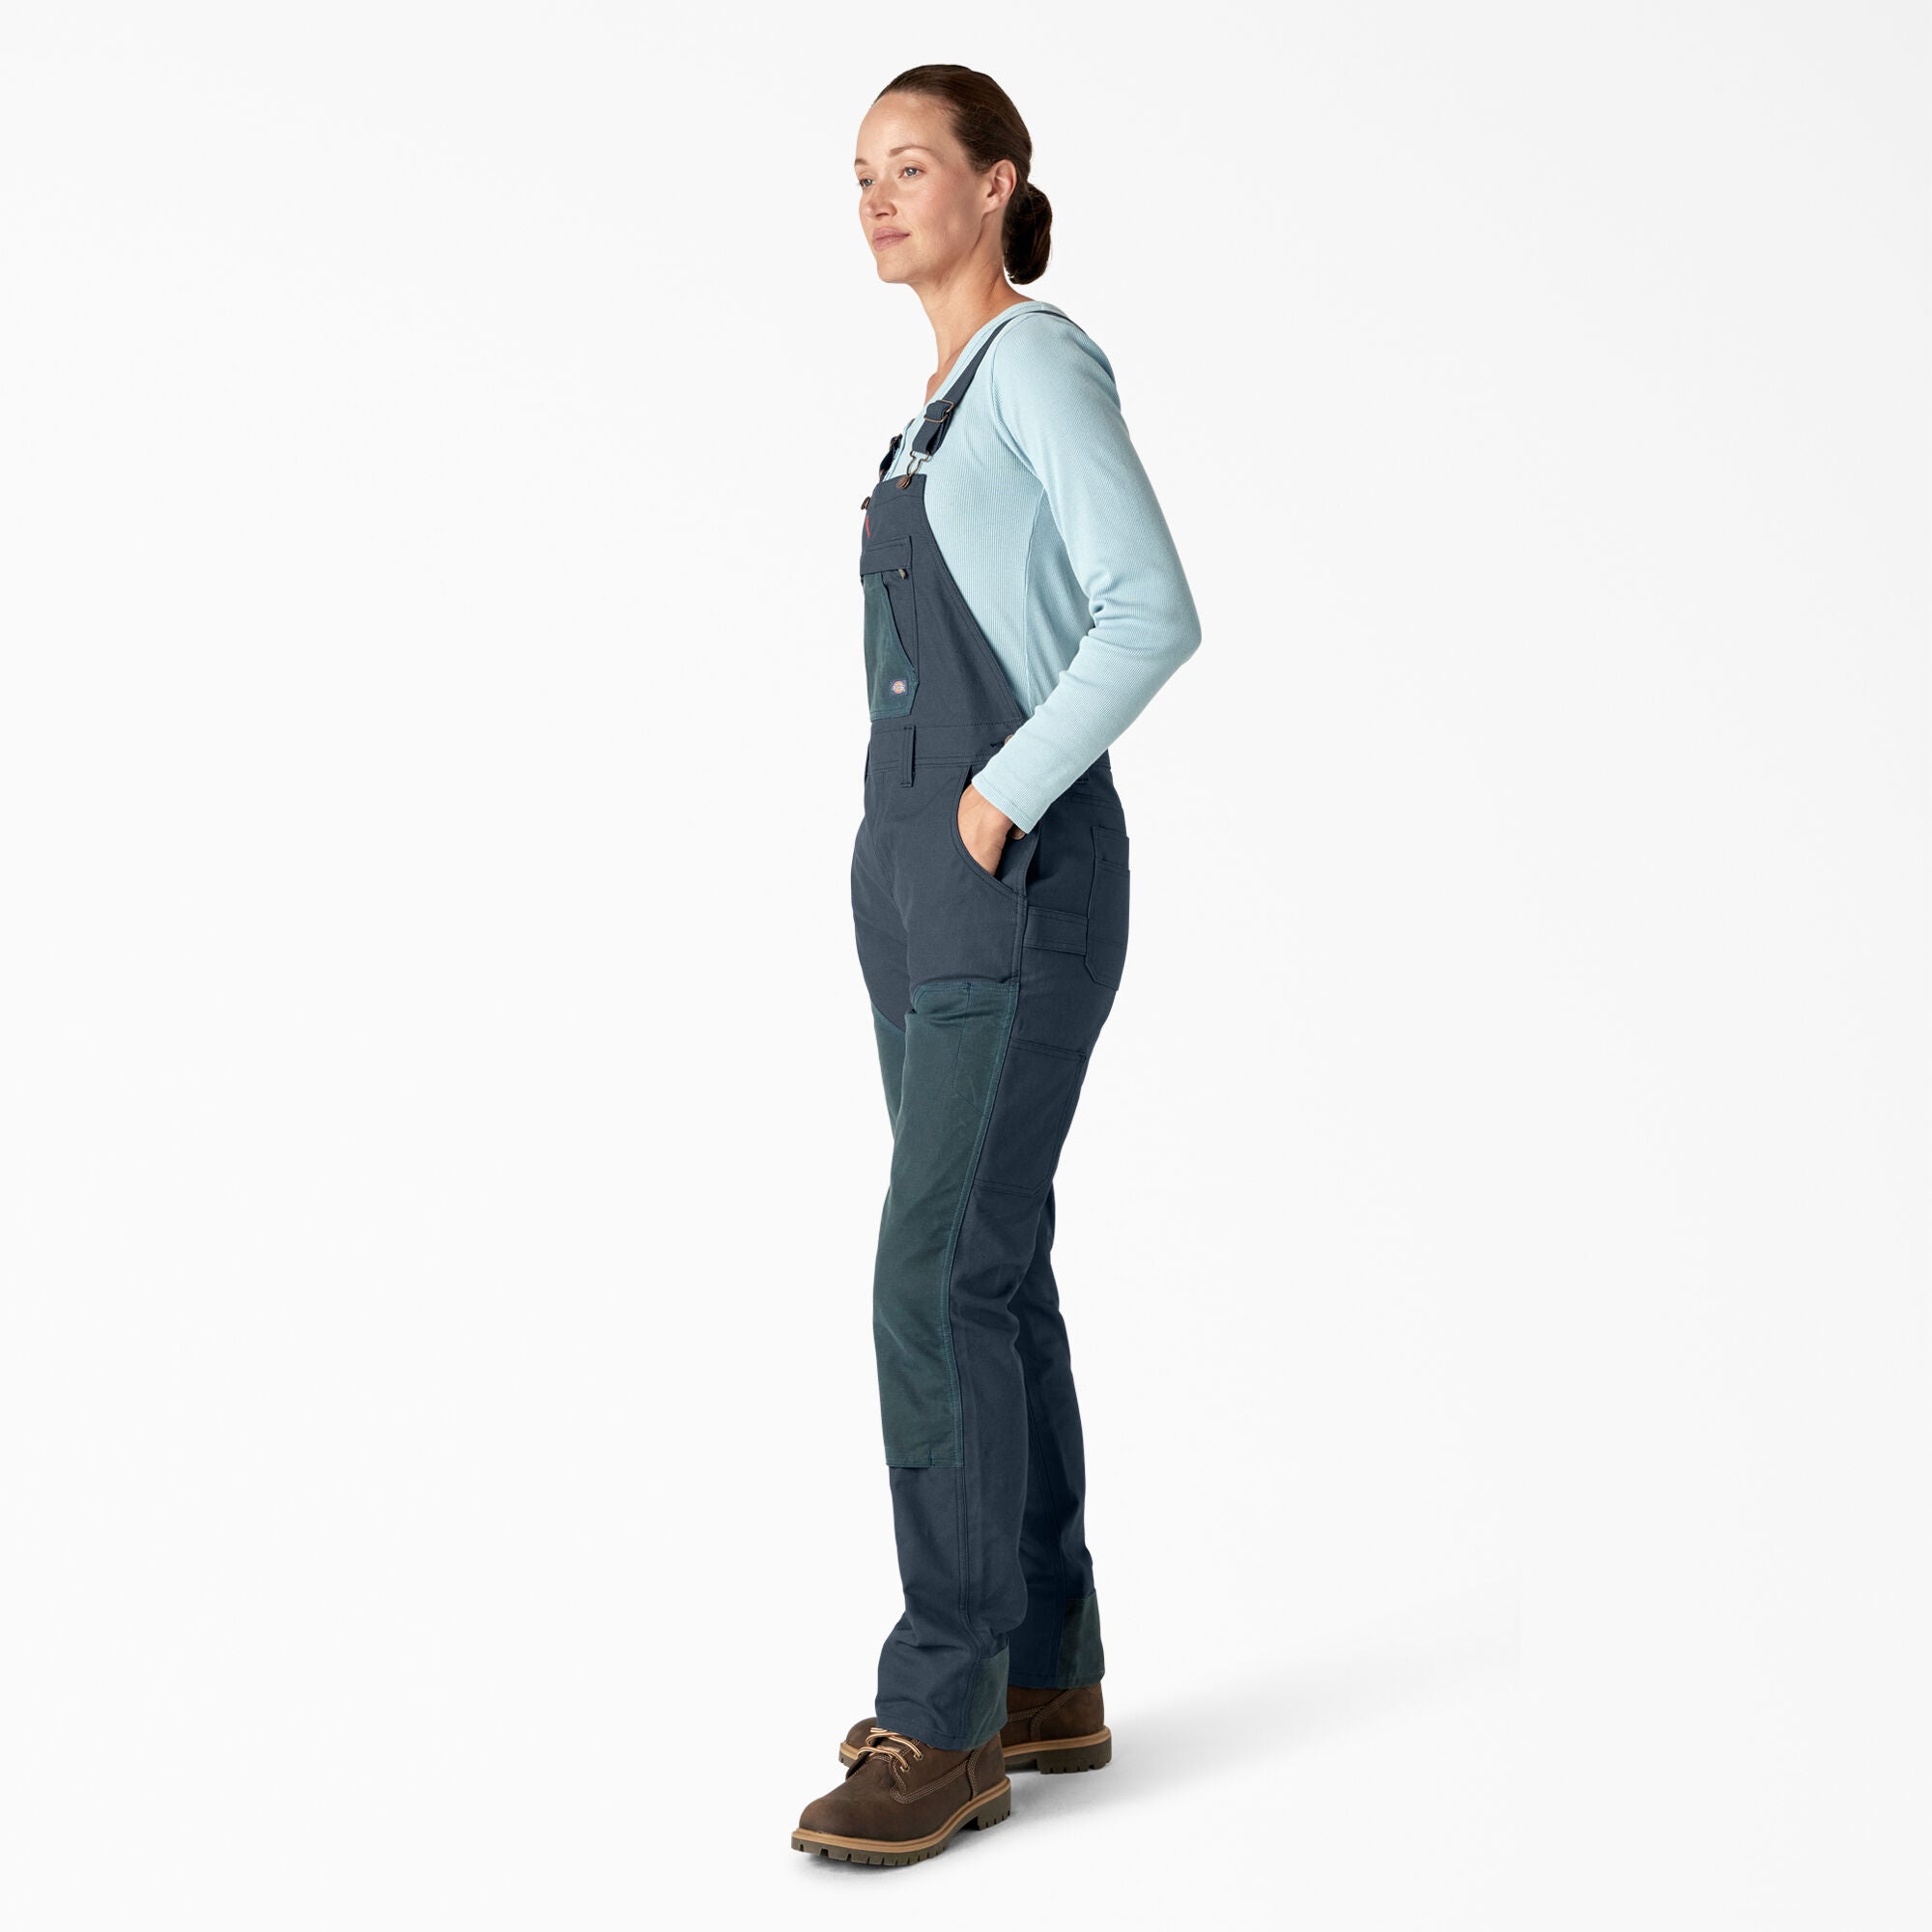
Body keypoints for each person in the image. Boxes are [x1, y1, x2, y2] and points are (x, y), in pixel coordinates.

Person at [791, 65, 1202, 1866]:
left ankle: (944, 1715)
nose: (878, 197)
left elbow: (1151, 609)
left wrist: (992, 801)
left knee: (932, 1274)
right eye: (861, 172)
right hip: (918, 891)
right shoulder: (928, 416)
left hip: (1012, 879)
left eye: (912, 166)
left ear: (996, 183)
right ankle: (1045, 1674)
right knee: (992, 1266)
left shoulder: (1035, 366)